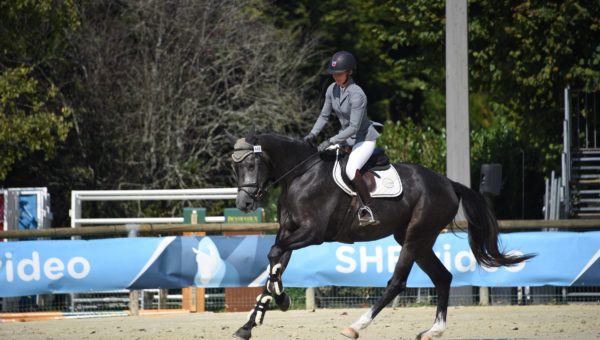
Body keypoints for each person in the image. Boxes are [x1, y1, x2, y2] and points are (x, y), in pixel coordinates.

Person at [303, 51, 381, 227]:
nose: (336, 77)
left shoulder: (357, 94)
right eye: (334, 74)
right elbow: (324, 116)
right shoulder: (332, 89)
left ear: (349, 72)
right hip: (346, 138)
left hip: (364, 139)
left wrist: (331, 141)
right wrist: (313, 134)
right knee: (323, 163)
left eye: (339, 73)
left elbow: (354, 127)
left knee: (351, 169)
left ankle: (368, 208)